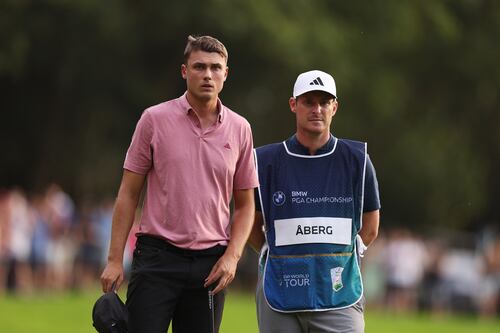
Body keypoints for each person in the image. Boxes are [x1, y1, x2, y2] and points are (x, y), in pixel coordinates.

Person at [100, 35, 259, 333]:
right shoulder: (154, 120)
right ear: (184, 71)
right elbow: (128, 193)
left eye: (215, 68)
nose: (208, 75)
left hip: (211, 264)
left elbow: (246, 205)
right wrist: (113, 259)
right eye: (199, 67)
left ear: (226, 73)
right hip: (156, 258)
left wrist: (232, 258)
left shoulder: (240, 129)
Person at [248, 70, 381, 333]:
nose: (317, 109)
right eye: (309, 101)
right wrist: (272, 253)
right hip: (279, 292)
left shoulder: (357, 159)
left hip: (340, 295)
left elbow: (370, 226)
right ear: (293, 104)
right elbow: (251, 222)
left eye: (324, 102)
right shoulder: (265, 161)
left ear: (335, 107)